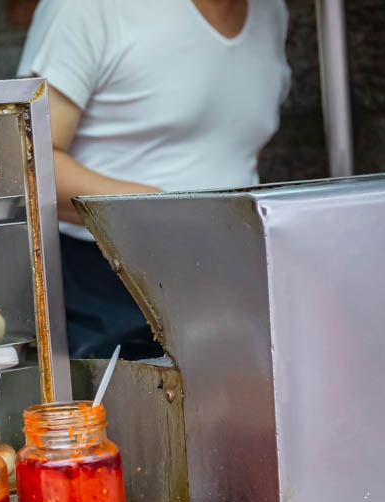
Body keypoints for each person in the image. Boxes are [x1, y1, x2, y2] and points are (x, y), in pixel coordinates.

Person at [18, 0, 291, 359]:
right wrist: (166, 212)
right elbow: (24, 158)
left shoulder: (271, 11)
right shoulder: (87, 8)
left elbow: (235, 148)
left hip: (233, 277)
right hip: (108, 285)